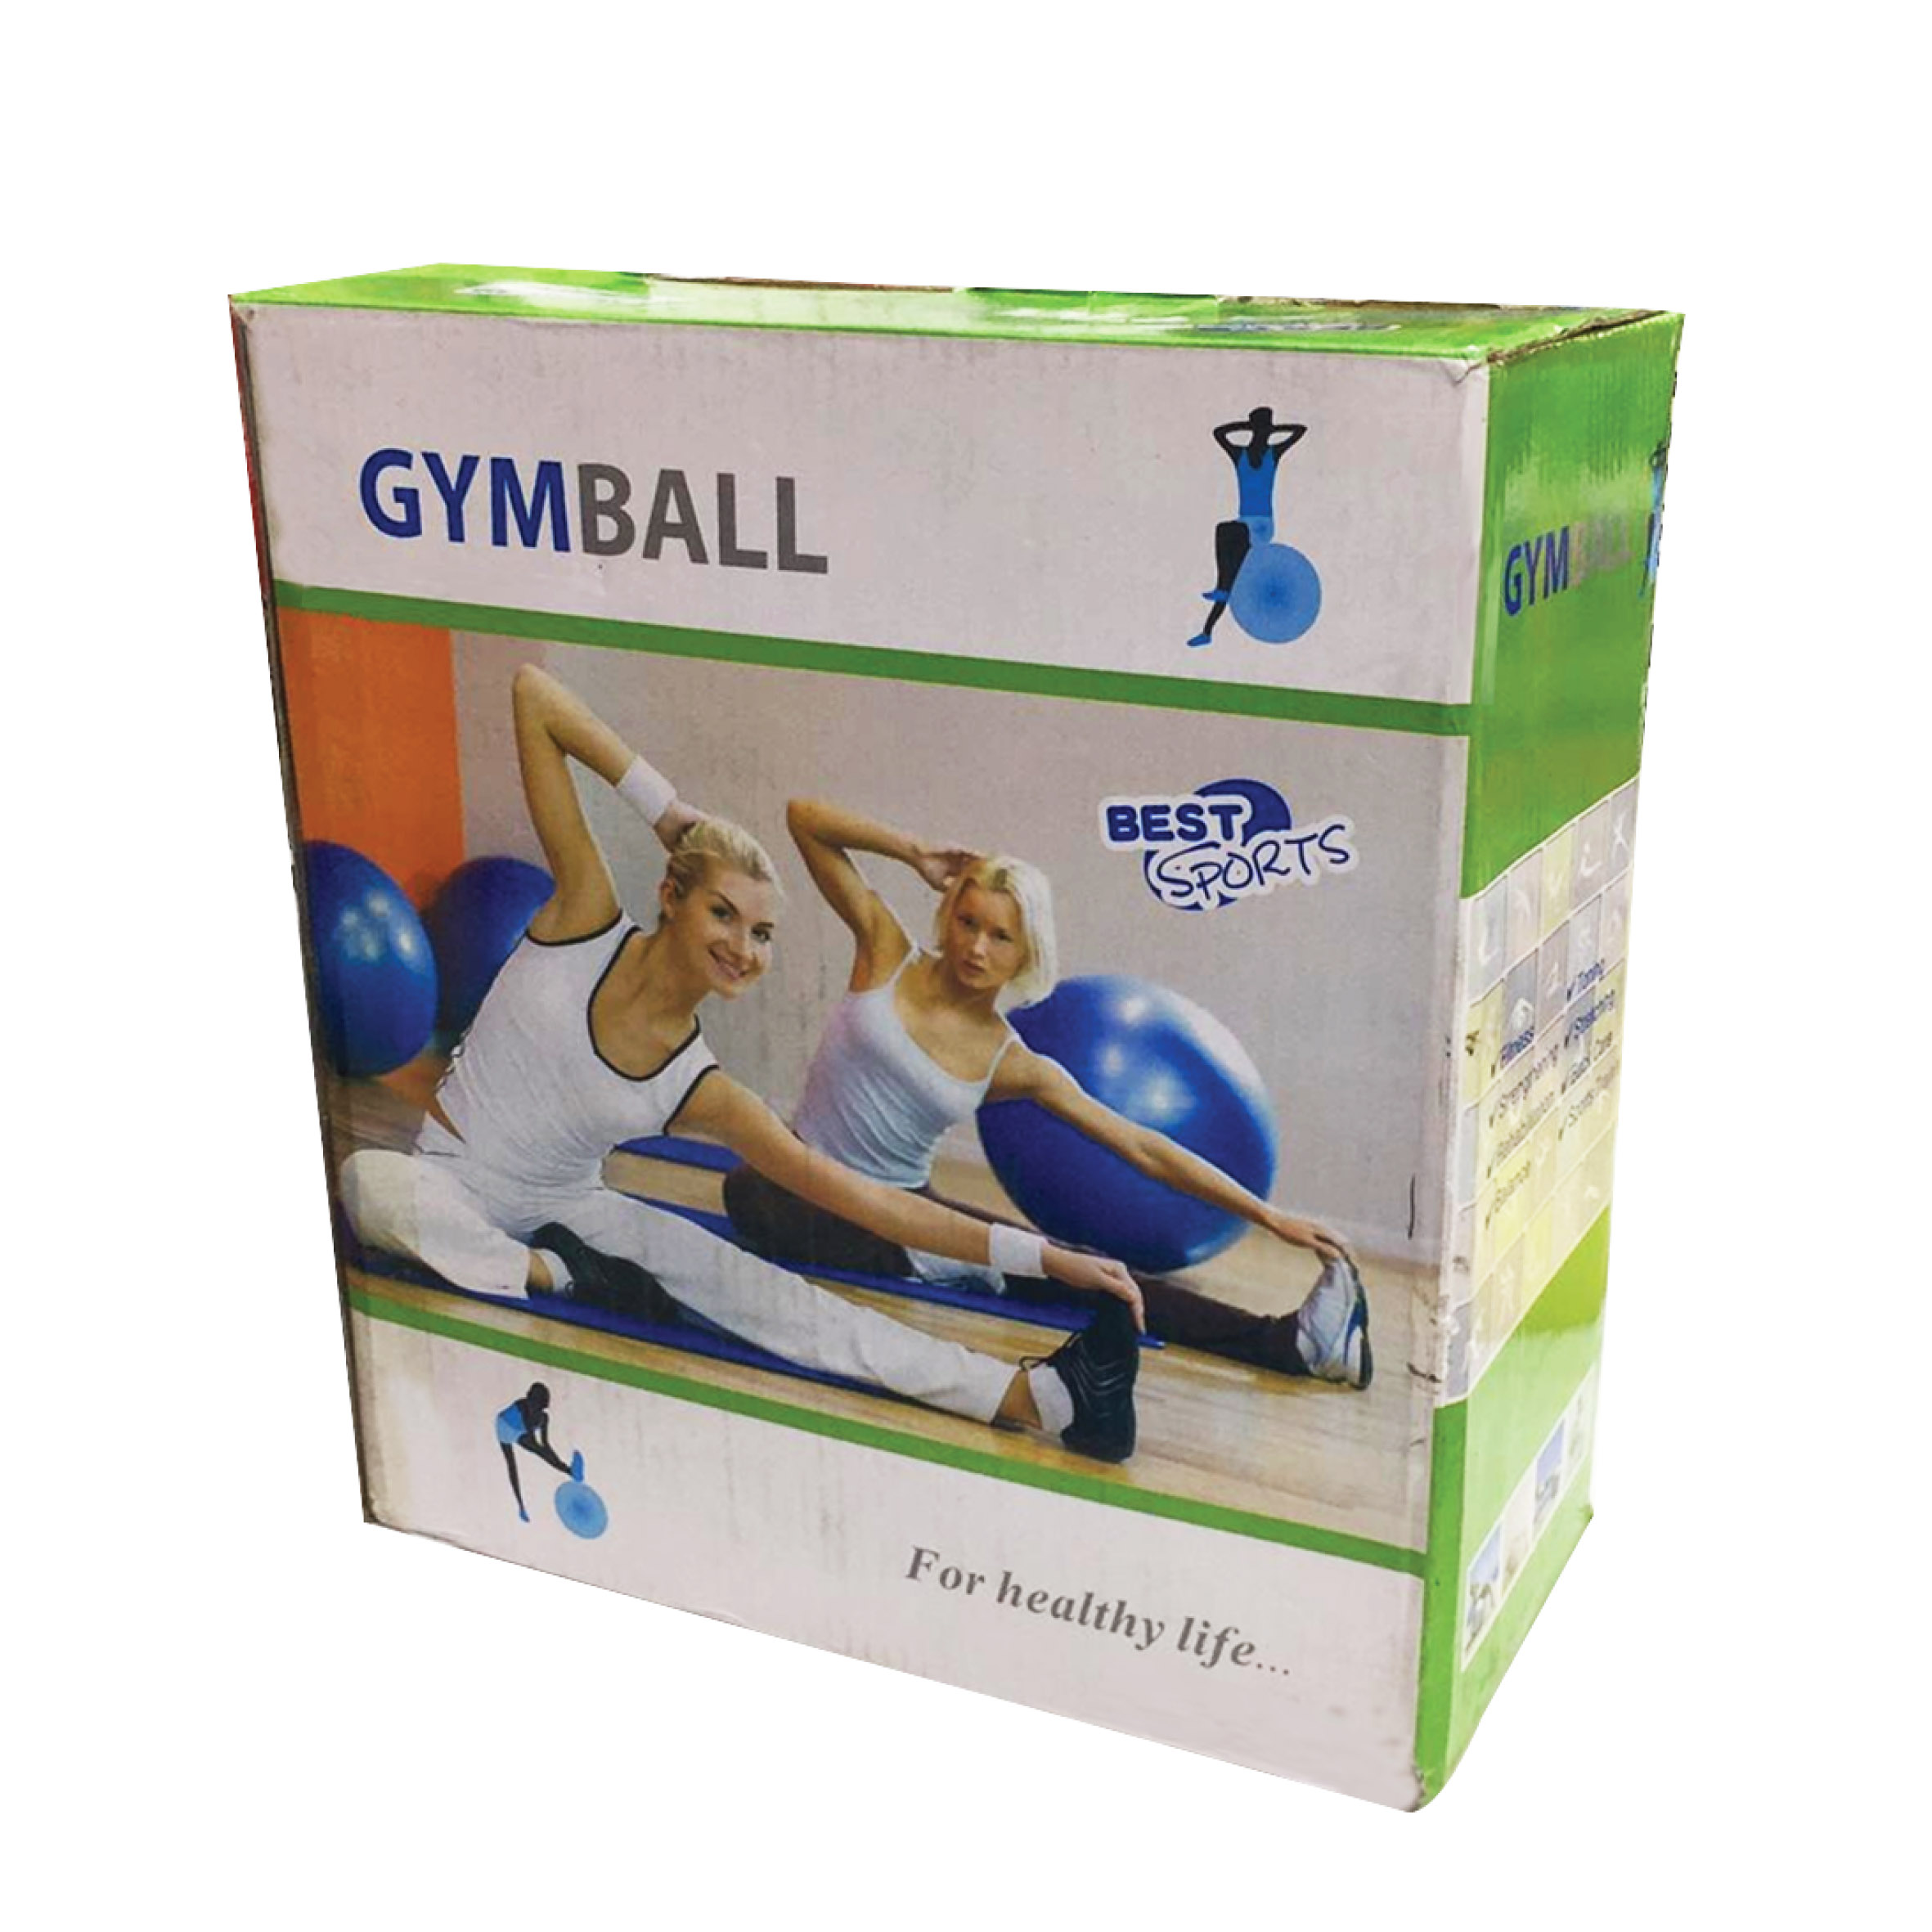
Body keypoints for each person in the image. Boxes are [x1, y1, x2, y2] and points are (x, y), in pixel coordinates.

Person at [339, 667, 1144, 1463]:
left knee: (760, 1290)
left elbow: (875, 1205)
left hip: (572, 1211)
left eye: (761, 934)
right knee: (368, 1183)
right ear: (672, 895)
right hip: (446, 1183)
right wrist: (666, 809)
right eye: (722, 913)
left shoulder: (703, 1087)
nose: (740, 946)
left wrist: (1045, 1256)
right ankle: (550, 1273)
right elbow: (532, 693)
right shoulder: (582, 917)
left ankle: (1033, 1395)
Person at [721, 798, 1372, 1388]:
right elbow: (804, 819)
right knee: (750, 1190)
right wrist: (914, 851)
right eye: (968, 922)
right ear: (949, 916)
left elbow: (1141, 1146)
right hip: (798, 1183)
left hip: (901, 1214)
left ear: (1026, 951)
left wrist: (1268, 1216)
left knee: (1090, 1271)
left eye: (1000, 936)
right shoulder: (886, 952)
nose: (976, 947)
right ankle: (960, 1259)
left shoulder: (1013, 1062)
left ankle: (1293, 1343)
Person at [1188, 407, 1307, 648]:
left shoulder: (1273, 453)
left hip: (1262, 526)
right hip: (1243, 524)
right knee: (1230, 573)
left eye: (1265, 430)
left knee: (1225, 531)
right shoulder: (1239, 455)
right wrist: (1251, 427)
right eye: (1258, 429)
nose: (1262, 434)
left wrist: (1270, 429)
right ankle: (1207, 630)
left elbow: (1300, 430)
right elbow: (1218, 433)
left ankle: (1221, 590)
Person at [495, 1382, 572, 1522]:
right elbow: (535, 1442)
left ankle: (570, 1471)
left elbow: (545, 1446)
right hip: (506, 1427)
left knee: (542, 1453)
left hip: (519, 1429)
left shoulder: (543, 1419)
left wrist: (564, 1467)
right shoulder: (522, 1407)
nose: (535, 1408)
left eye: (538, 1407)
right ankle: (521, 1505)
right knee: (512, 1466)